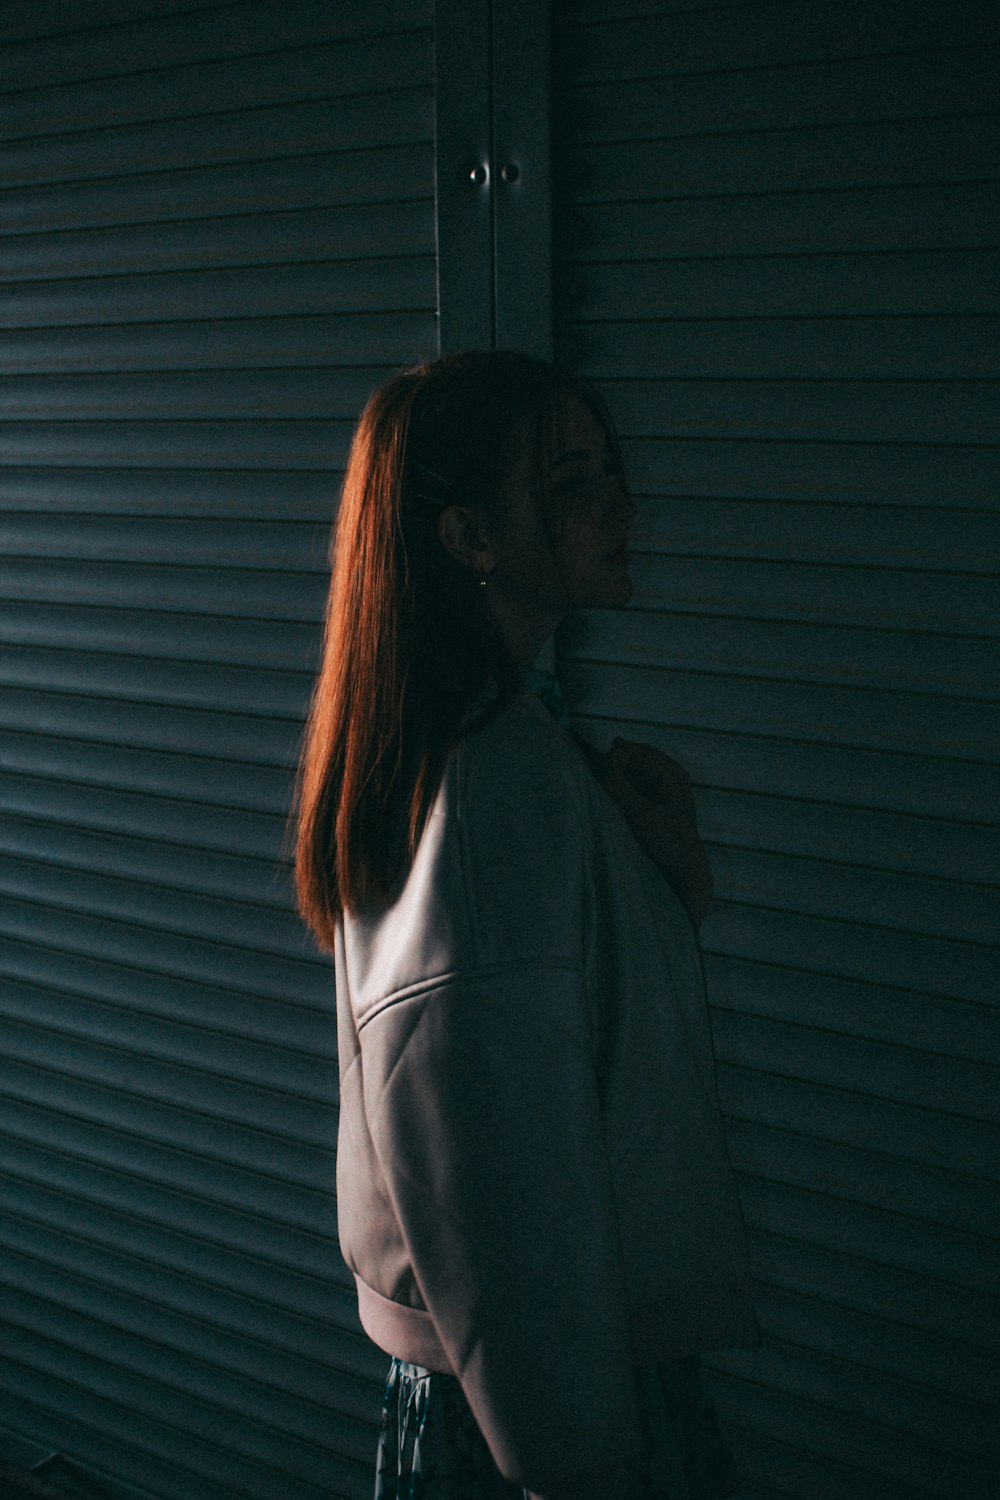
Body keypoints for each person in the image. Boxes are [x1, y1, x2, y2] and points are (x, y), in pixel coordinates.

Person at [294, 351, 759, 1499]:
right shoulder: (494, 781)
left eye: (606, 473)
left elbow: (537, 1045)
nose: (620, 505)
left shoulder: (493, 740)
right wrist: (582, 1463)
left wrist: (664, 889)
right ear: (468, 538)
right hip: (545, 1410)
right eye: (569, 483)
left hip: (518, 1387)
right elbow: (497, 1177)